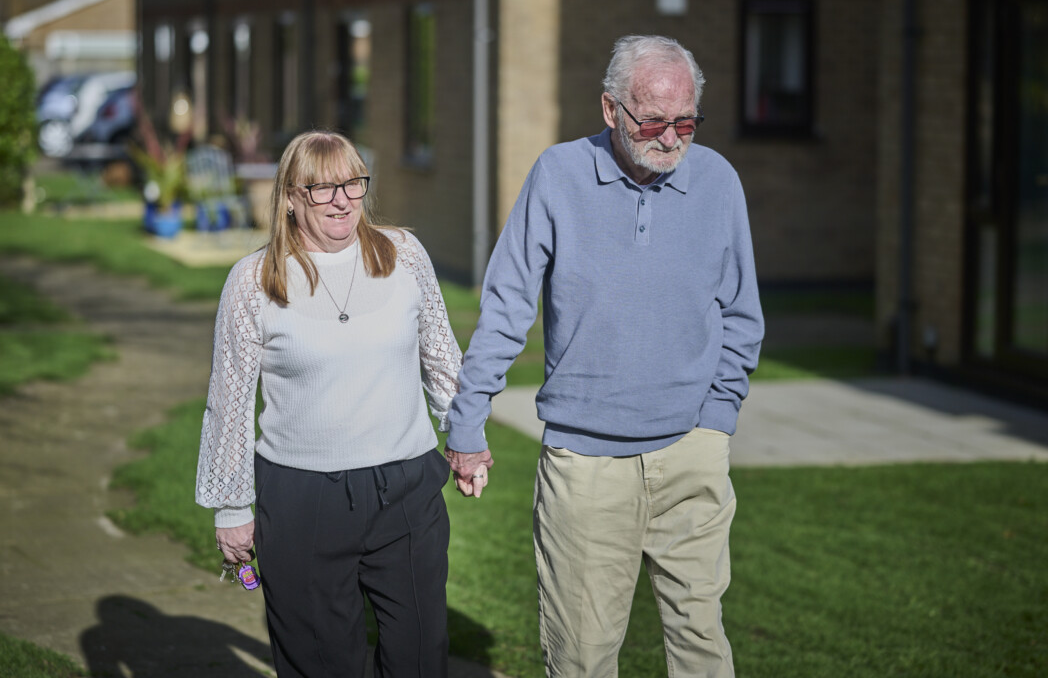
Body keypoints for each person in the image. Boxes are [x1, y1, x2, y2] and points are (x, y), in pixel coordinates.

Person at [445, 35, 764, 677]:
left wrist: (717, 418)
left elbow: (741, 313)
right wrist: (467, 419)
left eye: (686, 122)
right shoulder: (558, 175)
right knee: (582, 657)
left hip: (692, 454)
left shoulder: (720, 182)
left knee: (703, 646)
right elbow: (508, 305)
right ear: (610, 110)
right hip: (586, 465)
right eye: (653, 120)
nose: (672, 139)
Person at [197, 130, 465, 677]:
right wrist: (231, 506)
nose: (342, 199)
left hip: (406, 492)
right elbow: (229, 400)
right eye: (321, 188)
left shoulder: (404, 255)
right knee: (321, 663)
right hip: (301, 500)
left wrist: (465, 436)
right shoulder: (253, 281)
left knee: (420, 658)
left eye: (352, 183)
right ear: (290, 198)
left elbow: (441, 358)